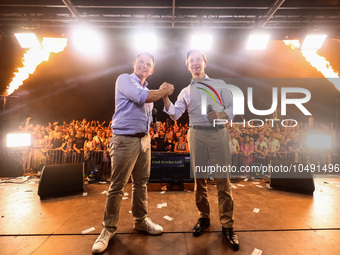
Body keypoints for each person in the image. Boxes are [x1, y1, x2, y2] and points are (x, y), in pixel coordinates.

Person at [92, 52, 174, 254]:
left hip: (143, 141)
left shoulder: (147, 90)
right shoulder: (125, 80)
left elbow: (146, 105)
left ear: (152, 70)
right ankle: (108, 228)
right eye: (141, 63)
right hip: (124, 140)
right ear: (134, 64)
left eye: (148, 64)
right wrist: (165, 91)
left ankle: (140, 220)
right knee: (117, 186)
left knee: (141, 183)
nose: (144, 66)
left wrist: (152, 125)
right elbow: (140, 97)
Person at [162, 49, 239, 250]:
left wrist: (221, 114)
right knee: (200, 179)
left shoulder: (220, 85)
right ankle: (204, 217)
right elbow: (175, 114)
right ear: (188, 66)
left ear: (205, 62)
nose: (195, 63)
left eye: (198, 59)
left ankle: (227, 225)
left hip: (218, 133)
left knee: (223, 180)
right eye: (191, 61)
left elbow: (232, 109)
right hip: (196, 133)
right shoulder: (185, 91)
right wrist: (164, 97)